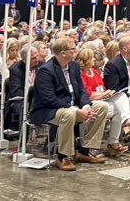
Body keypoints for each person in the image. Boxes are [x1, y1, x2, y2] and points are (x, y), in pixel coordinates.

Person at [28, 37, 109, 171]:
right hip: (49, 110)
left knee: (101, 107)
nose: (76, 50)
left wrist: (86, 106)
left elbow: (81, 90)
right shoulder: (46, 70)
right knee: (69, 114)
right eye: (72, 49)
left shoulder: (74, 66)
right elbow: (49, 99)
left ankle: (84, 150)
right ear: (63, 53)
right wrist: (76, 110)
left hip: (73, 106)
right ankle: (62, 156)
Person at [77, 48, 130, 156]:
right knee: (116, 109)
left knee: (121, 96)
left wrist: (107, 93)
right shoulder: (81, 74)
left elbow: (101, 87)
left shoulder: (94, 71)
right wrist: (102, 95)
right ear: (86, 60)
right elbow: (87, 93)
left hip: (102, 98)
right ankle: (113, 142)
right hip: (90, 102)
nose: (94, 59)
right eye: (92, 58)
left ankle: (126, 121)